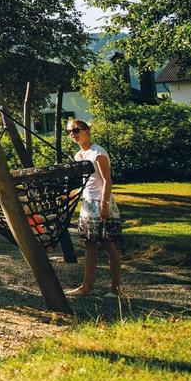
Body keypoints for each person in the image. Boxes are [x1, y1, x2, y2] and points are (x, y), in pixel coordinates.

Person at [65, 118, 124, 297]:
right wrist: (70, 195)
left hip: (101, 202)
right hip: (87, 203)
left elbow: (107, 181)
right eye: (69, 131)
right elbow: (87, 183)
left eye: (76, 130)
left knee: (108, 244)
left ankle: (116, 289)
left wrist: (104, 205)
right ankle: (86, 286)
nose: (72, 134)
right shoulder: (79, 156)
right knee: (89, 244)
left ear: (87, 131)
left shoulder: (97, 153)